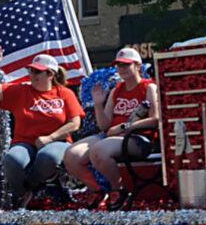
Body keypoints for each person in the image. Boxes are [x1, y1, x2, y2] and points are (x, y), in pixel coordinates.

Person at [0, 48, 82, 207]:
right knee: (12, 159)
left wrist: (50, 138)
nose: (32, 75)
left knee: (47, 157)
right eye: (31, 71)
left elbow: (75, 123)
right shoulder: (22, 90)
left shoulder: (65, 93)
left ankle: (32, 188)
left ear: (50, 75)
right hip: (25, 142)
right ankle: (22, 195)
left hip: (57, 141)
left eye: (37, 72)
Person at [65, 47, 160, 194]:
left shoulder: (149, 87)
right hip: (112, 136)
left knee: (99, 150)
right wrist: (98, 104)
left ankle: (118, 190)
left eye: (126, 64)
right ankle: (98, 191)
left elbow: (155, 120)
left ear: (138, 66)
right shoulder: (116, 90)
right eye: (119, 65)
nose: (121, 68)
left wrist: (124, 127)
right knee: (72, 156)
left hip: (138, 137)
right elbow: (104, 125)